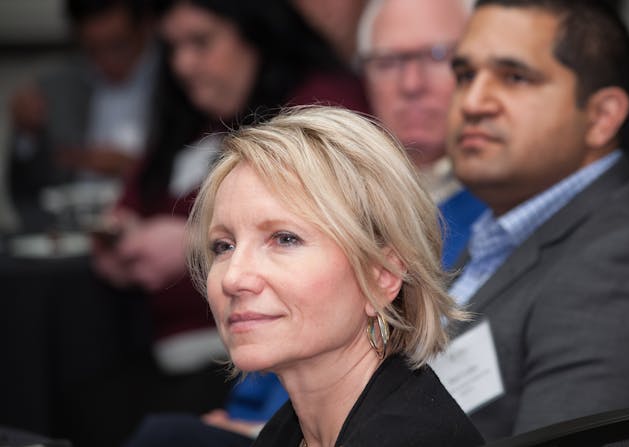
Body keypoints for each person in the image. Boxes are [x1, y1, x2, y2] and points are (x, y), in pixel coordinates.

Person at [69, 1, 368, 445]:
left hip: (260, 362)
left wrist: (197, 243)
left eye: (201, 42)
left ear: (256, 35)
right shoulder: (189, 115)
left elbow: (327, 227)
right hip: (166, 349)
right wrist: (118, 240)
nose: (183, 63)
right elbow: (130, 200)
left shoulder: (318, 109)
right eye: (172, 48)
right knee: (75, 399)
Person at [443, 1, 629, 446]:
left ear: (601, 117)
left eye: (515, 77)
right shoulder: (500, 228)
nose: (474, 102)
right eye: (465, 76)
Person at [186, 105, 485, 447]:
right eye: (223, 246)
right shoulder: (287, 432)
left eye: (285, 239)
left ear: (382, 276)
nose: (233, 278)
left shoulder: (412, 438)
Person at [357, 0, 485, 269]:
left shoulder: (513, 198)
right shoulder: (341, 197)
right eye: (387, 62)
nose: (411, 84)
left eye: (438, 56)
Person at [8, 0, 158, 222]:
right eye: (92, 49)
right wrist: (26, 136)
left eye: (118, 45)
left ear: (146, 27)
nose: (106, 60)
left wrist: (138, 169)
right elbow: (26, 194)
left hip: (154, 224)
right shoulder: (56, 87)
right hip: (71, 228)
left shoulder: (179, 80)